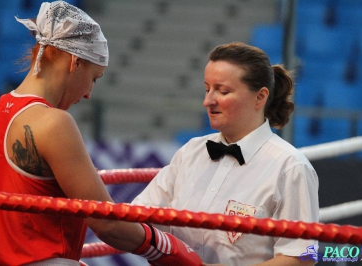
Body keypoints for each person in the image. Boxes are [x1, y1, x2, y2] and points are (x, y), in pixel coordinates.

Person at [0, 1, 201, 265]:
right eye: (94, 78)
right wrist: (169, 248)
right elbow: (107, 224)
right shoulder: (54, 123)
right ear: (75, 62)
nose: (88, 94)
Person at [132, 42, 319, 266]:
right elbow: (139, 218)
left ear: (260, 98)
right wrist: (94, 208)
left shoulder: (291, 167)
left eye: (223, 91)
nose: (207, 101)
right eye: (206, 89)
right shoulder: (191, 152)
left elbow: (302, 257)